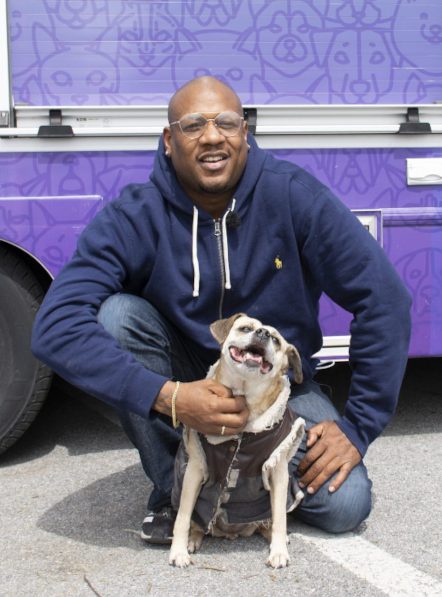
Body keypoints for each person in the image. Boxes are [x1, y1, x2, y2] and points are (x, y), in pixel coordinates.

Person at [31, 76, 411, 543]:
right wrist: (169, 396)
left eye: (227, 123)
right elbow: (54, 325)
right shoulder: (135, 215)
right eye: (193, 125)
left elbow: (385, 300)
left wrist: (356, 427)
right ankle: (176, 489)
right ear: (169, 141)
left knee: (346, 504)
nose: (213, 137)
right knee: (118, 318)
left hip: (276, 388)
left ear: (245, 133)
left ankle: (235, 484)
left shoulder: (292, 196)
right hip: (187, 378)